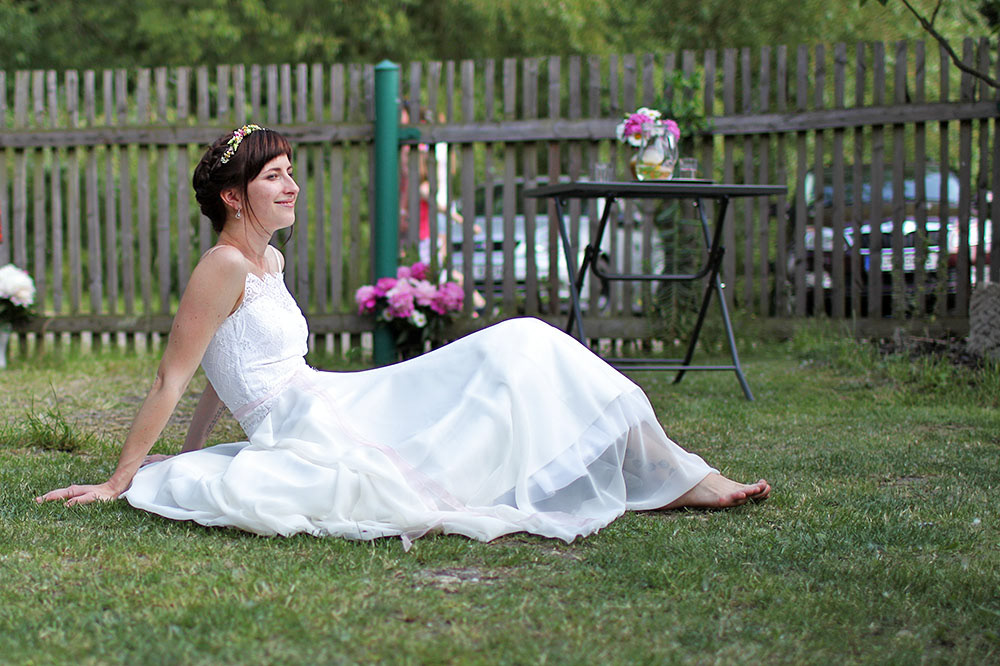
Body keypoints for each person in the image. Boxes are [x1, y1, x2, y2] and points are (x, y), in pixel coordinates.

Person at [36, 125, 770, 547]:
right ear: (234, 195)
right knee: (508, 360)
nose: (291, 187)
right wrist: (120, 478)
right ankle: (679, 480)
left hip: (329, 395)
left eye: (292, 173)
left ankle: (675, 473)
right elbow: (175, 375)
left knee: (525, 343)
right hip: (304, 423)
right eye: (274, 178)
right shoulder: (221, 266)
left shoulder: (269, 261)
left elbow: (219, 370)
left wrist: (192, 450)